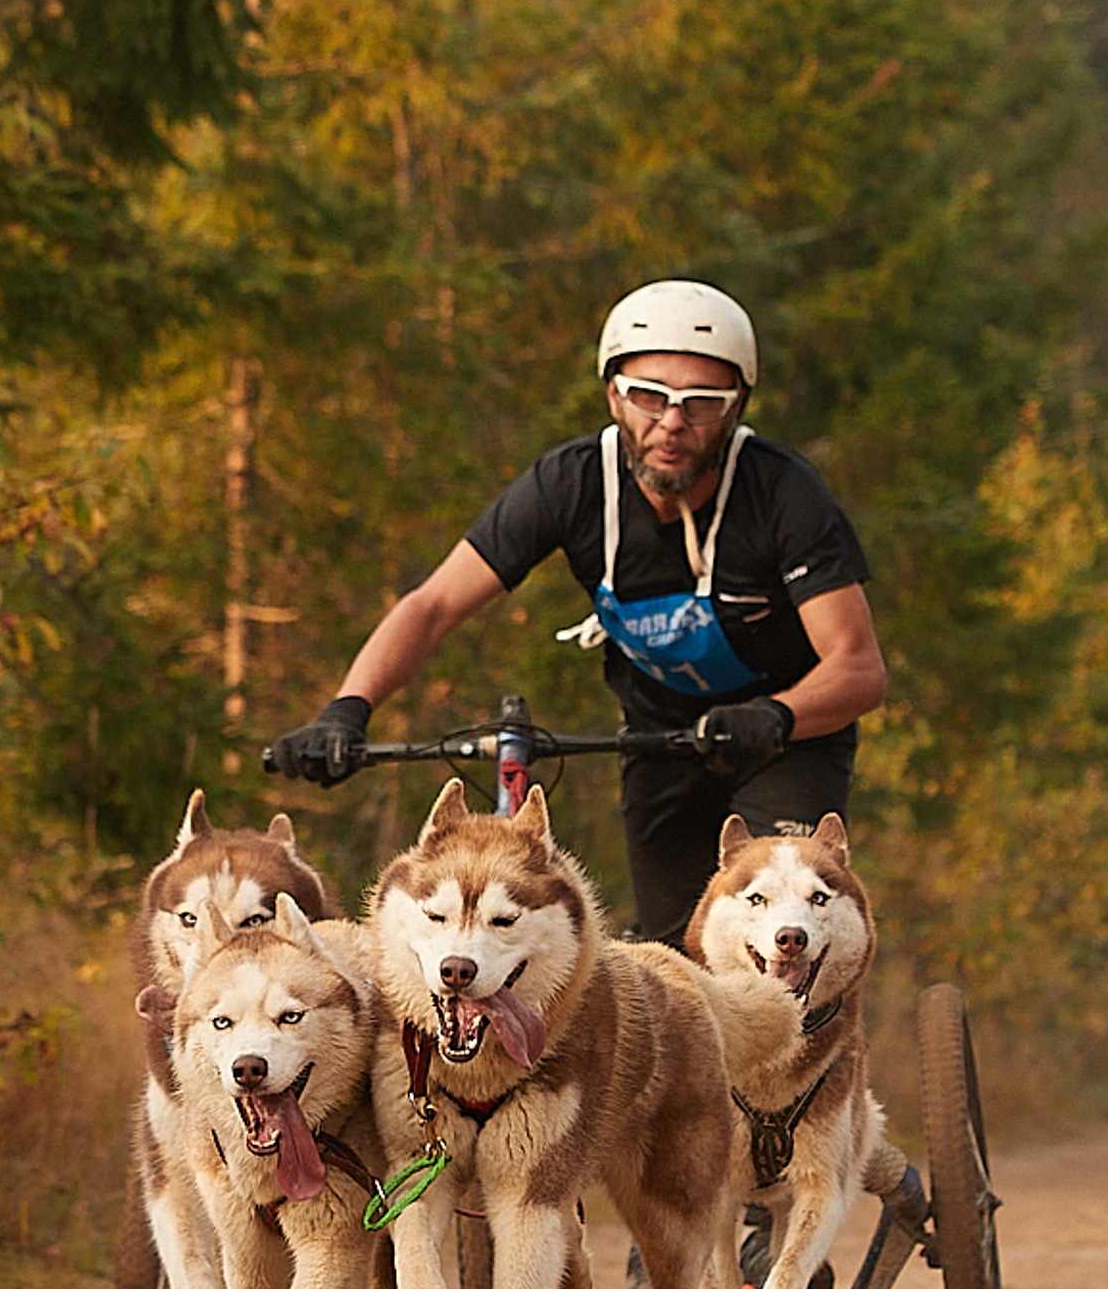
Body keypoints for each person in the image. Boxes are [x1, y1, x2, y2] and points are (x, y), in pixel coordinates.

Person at [268, 280, 887, 944]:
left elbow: (858, 669)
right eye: (651, 397)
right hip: (662, 739)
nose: (672, 423)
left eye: (701, 404)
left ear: (737, 408)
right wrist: (347, 709)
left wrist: (776, 715)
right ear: (614, 394)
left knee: (782, 929)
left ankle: (818, 1043)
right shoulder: (570, 484)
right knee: (674, 951)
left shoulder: (784, 495)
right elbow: (433, 604)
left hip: (788, 736)